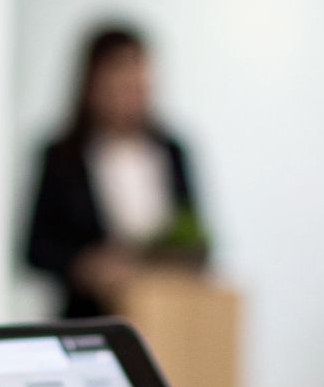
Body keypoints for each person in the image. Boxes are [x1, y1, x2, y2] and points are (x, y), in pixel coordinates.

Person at [24, 24, 207, 319]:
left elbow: (199, 241)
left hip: (168, 316)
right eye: (119, 76)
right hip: (89, 316)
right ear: (93, 82)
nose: (131, 88)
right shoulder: (62, 156)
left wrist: (169, 263)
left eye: (138, 78)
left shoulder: (172, 152)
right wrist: (87, 266)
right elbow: (35, 249)